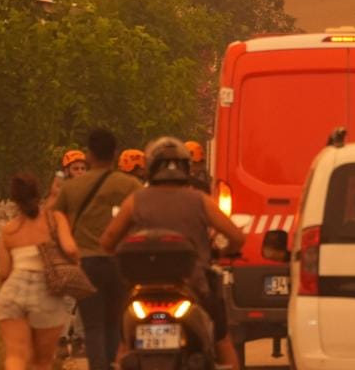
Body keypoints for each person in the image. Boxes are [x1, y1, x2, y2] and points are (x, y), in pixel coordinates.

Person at [101, 137, 247, 369]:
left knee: (124, 344)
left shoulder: (135, 201)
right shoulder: (200, 200)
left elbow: (107, 241)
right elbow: (237, 238)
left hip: (141, 290)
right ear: (186, 167)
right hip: (194, 285)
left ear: (150, 168)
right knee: (222, 339)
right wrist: (221, 252)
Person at [52, 129, 142, 370]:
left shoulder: (72, 188)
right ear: (114, 154)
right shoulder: (130, 184)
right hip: (119, 263)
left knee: (93, 325)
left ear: (89, 155)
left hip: (86, 264)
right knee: (114, 323)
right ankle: (113, 364)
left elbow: (55, 213)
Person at [0, 173, 78, 370]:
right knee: (42, 361)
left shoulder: (9, 229)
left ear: (14, 199)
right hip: (46, 293)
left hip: (13, 291)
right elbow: (71, 249)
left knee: (15, 356)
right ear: (38, 194)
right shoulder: (55, 219)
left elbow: (4, 272)